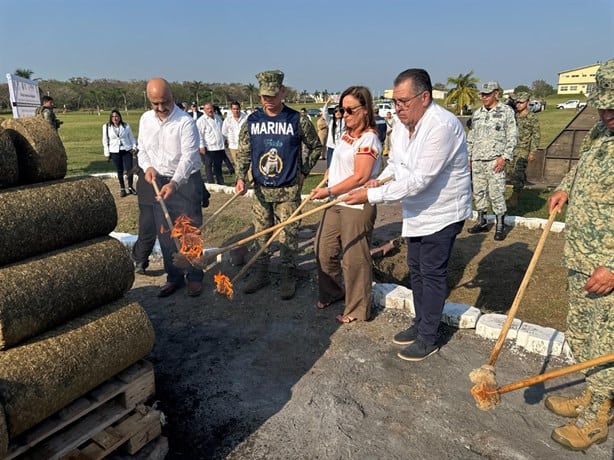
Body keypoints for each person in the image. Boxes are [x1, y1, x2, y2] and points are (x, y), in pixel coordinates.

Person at [344, 68, 472, 361]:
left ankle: (429, 336)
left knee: (432, 271)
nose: (397, 108)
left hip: (443, 210)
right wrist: (381, 179)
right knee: (416, 266)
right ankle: (420, 323)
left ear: (424, 97)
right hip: (417, 210)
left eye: (403, 101)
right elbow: (398, 165)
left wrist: (370, 194)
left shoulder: (442, 126)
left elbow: (420, 180)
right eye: (394, 101)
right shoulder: (402, 124)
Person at [544, 58, 614, 452]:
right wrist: (566, 186)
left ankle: (597, 418)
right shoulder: (600, 132)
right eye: (603, 105)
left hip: (609, 267)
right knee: (583, 335)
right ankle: (592, 395)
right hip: (582, 256)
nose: (607, 113)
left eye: (613, 106)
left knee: (607, 343)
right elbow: (582, 168)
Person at [235, 70, 322, 300]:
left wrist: (304, 170)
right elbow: (244, 152)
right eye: (264, 96)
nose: (268, 101)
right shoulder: (252, 121)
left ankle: (287, 277)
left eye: (272, 96)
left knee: (288, 237)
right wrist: (241, 177)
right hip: (261, 191)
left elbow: (316, 146)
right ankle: (261, 273)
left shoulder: (297, 120)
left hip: (288, 191)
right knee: (261, 235)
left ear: (282, 91)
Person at [310, 86, 381, 324]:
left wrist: (328, 190)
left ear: (365, 110)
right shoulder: (347, 134)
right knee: (323, 248)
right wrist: (332, 172)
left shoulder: (369, 138)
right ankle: (333, 292)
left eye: (350, 110)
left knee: (354, 258)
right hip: (336, 200)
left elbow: (361, 176)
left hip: (356, 204)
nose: (344, 115)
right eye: (341, 110)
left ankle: (358, 308)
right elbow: (342, 161)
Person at [137, 77, 204, 298]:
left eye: (164, 102)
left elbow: (188, 157)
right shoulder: (146, 119)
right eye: (155, 103)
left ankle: (194, 277)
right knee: (165, 234)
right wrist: (147, 167)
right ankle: (173, 277)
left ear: (172, 97)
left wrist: (175, 183)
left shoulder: (185, 122)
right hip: (159, 182)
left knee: (189, 232)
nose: (160, 108)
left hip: (185, 183)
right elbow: (142, 150)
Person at [466, 81, 517, 240]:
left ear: (496, 93)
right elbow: (471, 137)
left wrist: (505, 157)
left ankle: (500, 225)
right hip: (478, 160)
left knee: (496, 193)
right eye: (482, 94)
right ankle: (482, 221)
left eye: (487, 94)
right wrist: (469, 157)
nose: (484, 97)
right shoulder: (477, 113)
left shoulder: (506, 111)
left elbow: (512, 136)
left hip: (495, 161)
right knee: (479, 193)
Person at [507, 91, 541, 207]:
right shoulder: (514, 116)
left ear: (527, 102)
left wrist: (533, 152)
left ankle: (515, 196)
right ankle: (516, 191)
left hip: (524, 149)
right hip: (512, 148)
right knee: (510, 172)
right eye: (517, 103)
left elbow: (536, 135)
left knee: (518, 172)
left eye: (521, 103)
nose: (518, 105)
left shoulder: (532, 118)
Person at [102, 109, 138, 197]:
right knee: (119, 170)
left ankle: (130, 187)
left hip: (126, 150)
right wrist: (107, 153)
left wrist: (134, 147)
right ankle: (122, 188)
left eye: (116, 116)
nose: (115, 118)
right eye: (113, 117)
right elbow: (105, 140)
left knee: (130, 169)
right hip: (114, 151)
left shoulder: (126, 126)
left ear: (120, 117)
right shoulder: (106, 127)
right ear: (111, 118)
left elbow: (131, 137)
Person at [131, 166, 157, 274]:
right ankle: (140, 260)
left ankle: (140, 259)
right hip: (149, 186)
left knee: (148, 225)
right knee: (148, 225)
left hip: (164, 187)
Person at [197, 103, 227, 185]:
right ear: (204, 110)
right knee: (208, 165)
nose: (210, 110)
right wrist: (201, 146)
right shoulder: (201, 120)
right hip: (209, 147)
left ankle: (220, 182)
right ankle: (211, 182)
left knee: (218, 165)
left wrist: (225, 140)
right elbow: (199, 134)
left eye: (211, 108)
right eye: (207, 109)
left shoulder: (217, 118)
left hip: (219, 146)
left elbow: (222, 131)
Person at [222, 101, 247, 169]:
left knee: (247, 165)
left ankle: (251, 179)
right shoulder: (228, 120)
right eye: (234, 109)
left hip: (244, 145)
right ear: (231, 109)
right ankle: (240, 179)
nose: (236, 111)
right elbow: (224, 132)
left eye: (237, 109)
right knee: (238, 165)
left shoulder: (246, 118)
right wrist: (229, 140)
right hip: (233, 146)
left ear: (240, 109)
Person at [322, 96, 345, 167]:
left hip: (342, 147)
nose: (338, 112)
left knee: (341, 167)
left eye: (340, 111)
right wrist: (327, 102)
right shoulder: (331, 121)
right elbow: (324, 112)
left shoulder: (345, 121)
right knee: (330, 167)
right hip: (332, 147)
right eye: (336, 111)